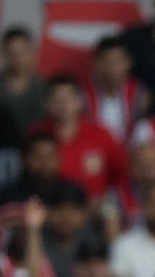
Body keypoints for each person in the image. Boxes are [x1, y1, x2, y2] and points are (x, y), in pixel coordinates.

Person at [31, 76, 127, 204]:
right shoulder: (36, 134)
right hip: (49, 209)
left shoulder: (102, 134)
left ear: (80, 101)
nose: (64, 104)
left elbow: (121, 173)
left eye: (69, 98)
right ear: (48, 104)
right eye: (57, 99)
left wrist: (104, 201)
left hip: (96, 210)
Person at [82, 37, 147, 143]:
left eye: (117, 61)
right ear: (95, 63)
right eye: (105, 61)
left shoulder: (139, 93)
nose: (111, 67)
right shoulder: (81, 94)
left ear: (128, 63)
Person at [0, 27, 46, 139]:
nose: (17, 58)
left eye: (22, 52)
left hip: (35, 151)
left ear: (32, 51)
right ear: (3, 52)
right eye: (12, 53)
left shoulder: (45, 89)